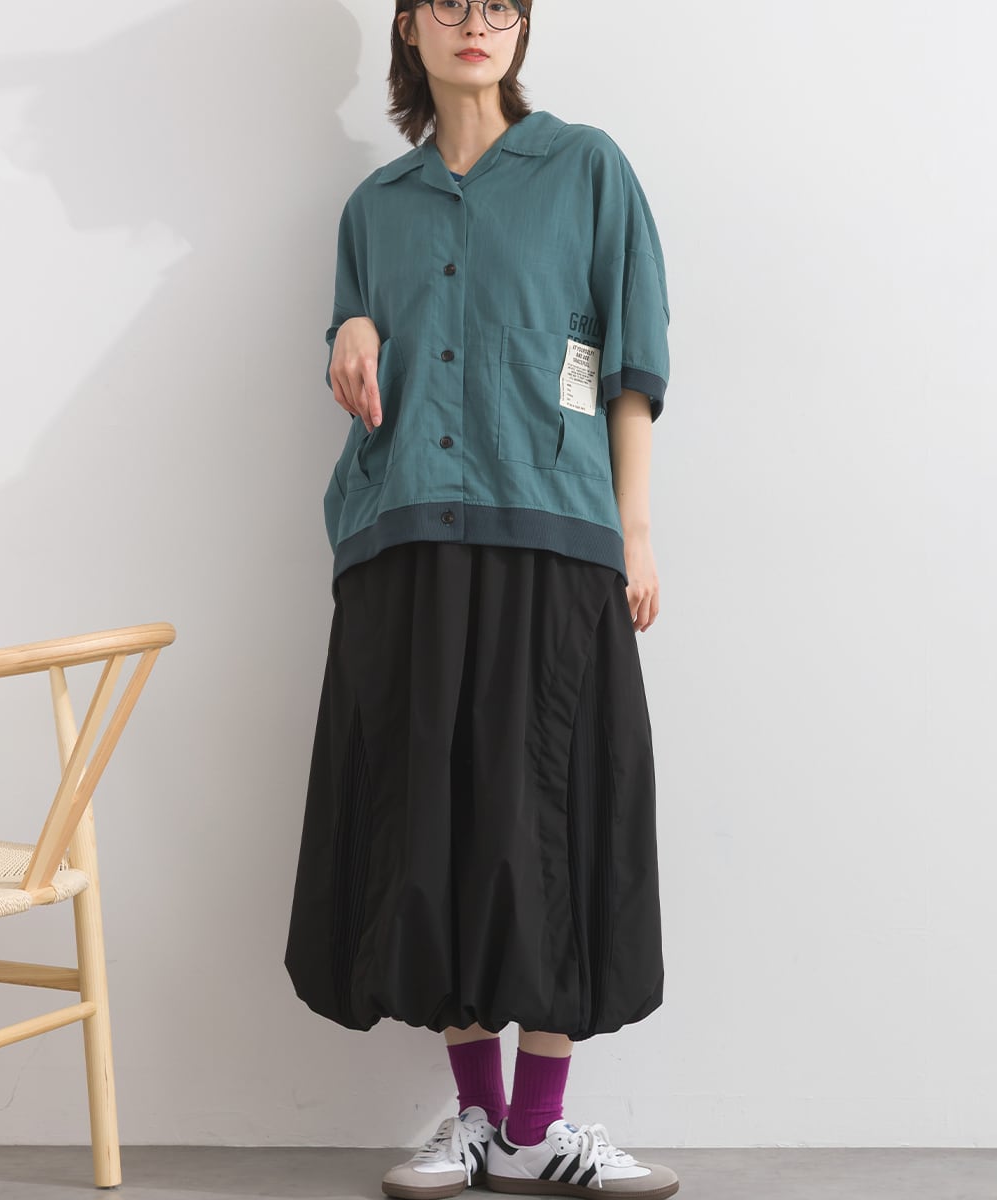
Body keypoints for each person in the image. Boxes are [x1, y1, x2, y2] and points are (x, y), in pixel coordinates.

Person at [284, 2, 679, 1196]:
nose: (478, 23)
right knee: (433, 821)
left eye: (501, 5)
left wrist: (634, 533)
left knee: (552, 815)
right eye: (450, 3)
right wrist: (352, 326)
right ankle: (476, 1120)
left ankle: (539, 1127)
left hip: (554, 527)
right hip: (406, 534)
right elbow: (360, 347)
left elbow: (627, 362)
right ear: (408, 29)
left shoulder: (586, 168)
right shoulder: (376, 208)